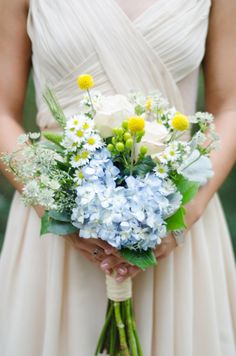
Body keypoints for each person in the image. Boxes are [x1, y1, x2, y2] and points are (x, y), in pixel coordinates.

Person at [0, 0, 235, 355]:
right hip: (56, 233)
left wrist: (183, 216)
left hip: (178, 219)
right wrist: (56, 204)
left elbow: (230, 106)